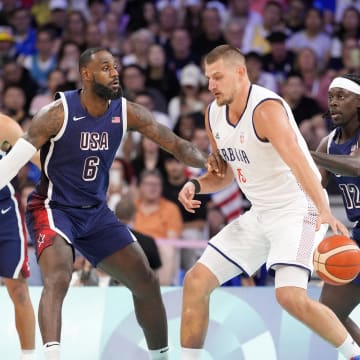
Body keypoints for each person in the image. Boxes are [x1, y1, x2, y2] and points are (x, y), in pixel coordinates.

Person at [0, 47, 219, 360]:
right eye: (105, 68)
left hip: (96, 213)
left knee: (145, 279)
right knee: (58, 276)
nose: (114, 73)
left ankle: (161, 355)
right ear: (86, 74)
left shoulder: (126, 111)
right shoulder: (56, 114)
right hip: (53, 208)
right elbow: (10, 167)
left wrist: (210, 162)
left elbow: (177, 145)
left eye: (115, 67)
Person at [177, 44, 360, 360]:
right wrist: (196, 183)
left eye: (217, 77)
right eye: (208, 78)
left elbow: (301, 164)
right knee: (195, 281)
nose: (210, 86)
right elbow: (224, 174)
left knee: (290, 296)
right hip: (259, 212)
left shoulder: (266, 109)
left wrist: (324, 209)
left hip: (296, 208)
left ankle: (353, 354)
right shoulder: (212, 113)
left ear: (240, 72)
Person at [311, 73, 360, 346]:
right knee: (329, 312)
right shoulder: (329, 142)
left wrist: (307, 153)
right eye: (331, 97)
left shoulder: (322, 150)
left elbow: (356, 165)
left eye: (342, 97)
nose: (334, 103)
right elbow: (312, 184)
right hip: (358, 232)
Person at [0, 113, 39, 359]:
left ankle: (28, 357)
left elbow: (40, 159)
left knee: (19, 290)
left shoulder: (4, 126)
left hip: (4, 215)